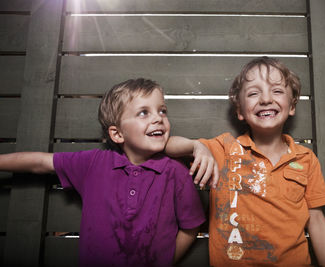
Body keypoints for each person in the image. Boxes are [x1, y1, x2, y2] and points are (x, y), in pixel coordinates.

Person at [0, 78, 207, 267]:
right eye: (144, 112)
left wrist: (166, 261)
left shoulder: (177, 172)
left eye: (162, 110)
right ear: (117, 134)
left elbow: (191, 227)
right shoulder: (93, 163)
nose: (158, 118)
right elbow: (41, 162)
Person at [165, 57, 325, 266]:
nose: (265, 99)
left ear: (292, 106)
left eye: (277, 91)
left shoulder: (306, 159)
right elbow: (167, 145)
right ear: (239, 111)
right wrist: (195, 146)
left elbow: (317, 221)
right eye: (254, 93)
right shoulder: (224, 149)